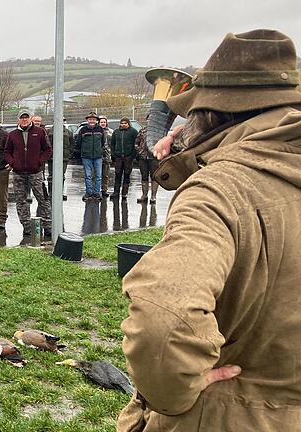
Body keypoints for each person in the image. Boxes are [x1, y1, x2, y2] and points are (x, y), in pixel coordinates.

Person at [117, 29, 301, 431]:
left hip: (225, 415)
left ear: (210, 114)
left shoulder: (221, 190)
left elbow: (161, 322)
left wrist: (172, 393)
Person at [5, 110, 52, 236]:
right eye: (22, 118)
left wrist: (39, 162)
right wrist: (13, 162)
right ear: (18, 120)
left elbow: (47, 150)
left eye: (26, 117)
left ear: (30, 119)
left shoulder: (40, 132)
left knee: (43, 199)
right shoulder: (13, 134)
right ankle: (27, 227)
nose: (24, 120)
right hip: (19, 173)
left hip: (36, 173)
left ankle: (47, 226)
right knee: (21, 201)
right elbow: (7, 152)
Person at [76, 112, 105, 201]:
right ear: (87, 120)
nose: (92, 121)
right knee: (87, 176)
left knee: (98, 176)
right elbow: (79, 142)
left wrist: (98, 151)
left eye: (93, 119)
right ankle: (88, 193)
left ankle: (96, 193)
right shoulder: (83, 130)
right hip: (86, 156)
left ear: (96, 121)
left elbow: (102, 142)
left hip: (98, 156)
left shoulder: (100, 129)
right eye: (90, 119)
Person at [109, 117, 138, 199]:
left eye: (125, 123)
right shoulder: (116, 132)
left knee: (127, 175)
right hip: (118, 157)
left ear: (128, 124)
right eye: (122, 123)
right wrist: (114, 154)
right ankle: (116, 192)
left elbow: (136, 144)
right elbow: (112, 144)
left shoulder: (133, 132)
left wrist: (132, 156)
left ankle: (124, 193)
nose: (123, 125)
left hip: (128, 157)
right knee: (117, 175)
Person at [47, 119, 75, 201]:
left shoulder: (68, 132)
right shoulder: (48, 132)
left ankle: (60, 193)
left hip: (64, 158)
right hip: (51, 157)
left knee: (61, 176)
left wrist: (69, 154)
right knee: (51, 176)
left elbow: (72, 144)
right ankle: (51, 193)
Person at [134, 117, 158, 203]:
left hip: (153, 157)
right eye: (148, 119)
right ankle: (144, 195)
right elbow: (136, 142)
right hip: (143, 157)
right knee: (144, 176)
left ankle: (153, 196)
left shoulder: (157, 131)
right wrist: (140, 151)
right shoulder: (142, 131)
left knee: (154, 177)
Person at [98, 115, 113, 198]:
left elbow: (113, 144)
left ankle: (104, 190)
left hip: (107, 156)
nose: (103, 123)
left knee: (106, 175)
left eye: (104, 122)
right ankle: (96, 190)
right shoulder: (97, 131)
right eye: (101, 122)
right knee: (96, 175)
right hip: (97, 156)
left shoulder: (111, 132)